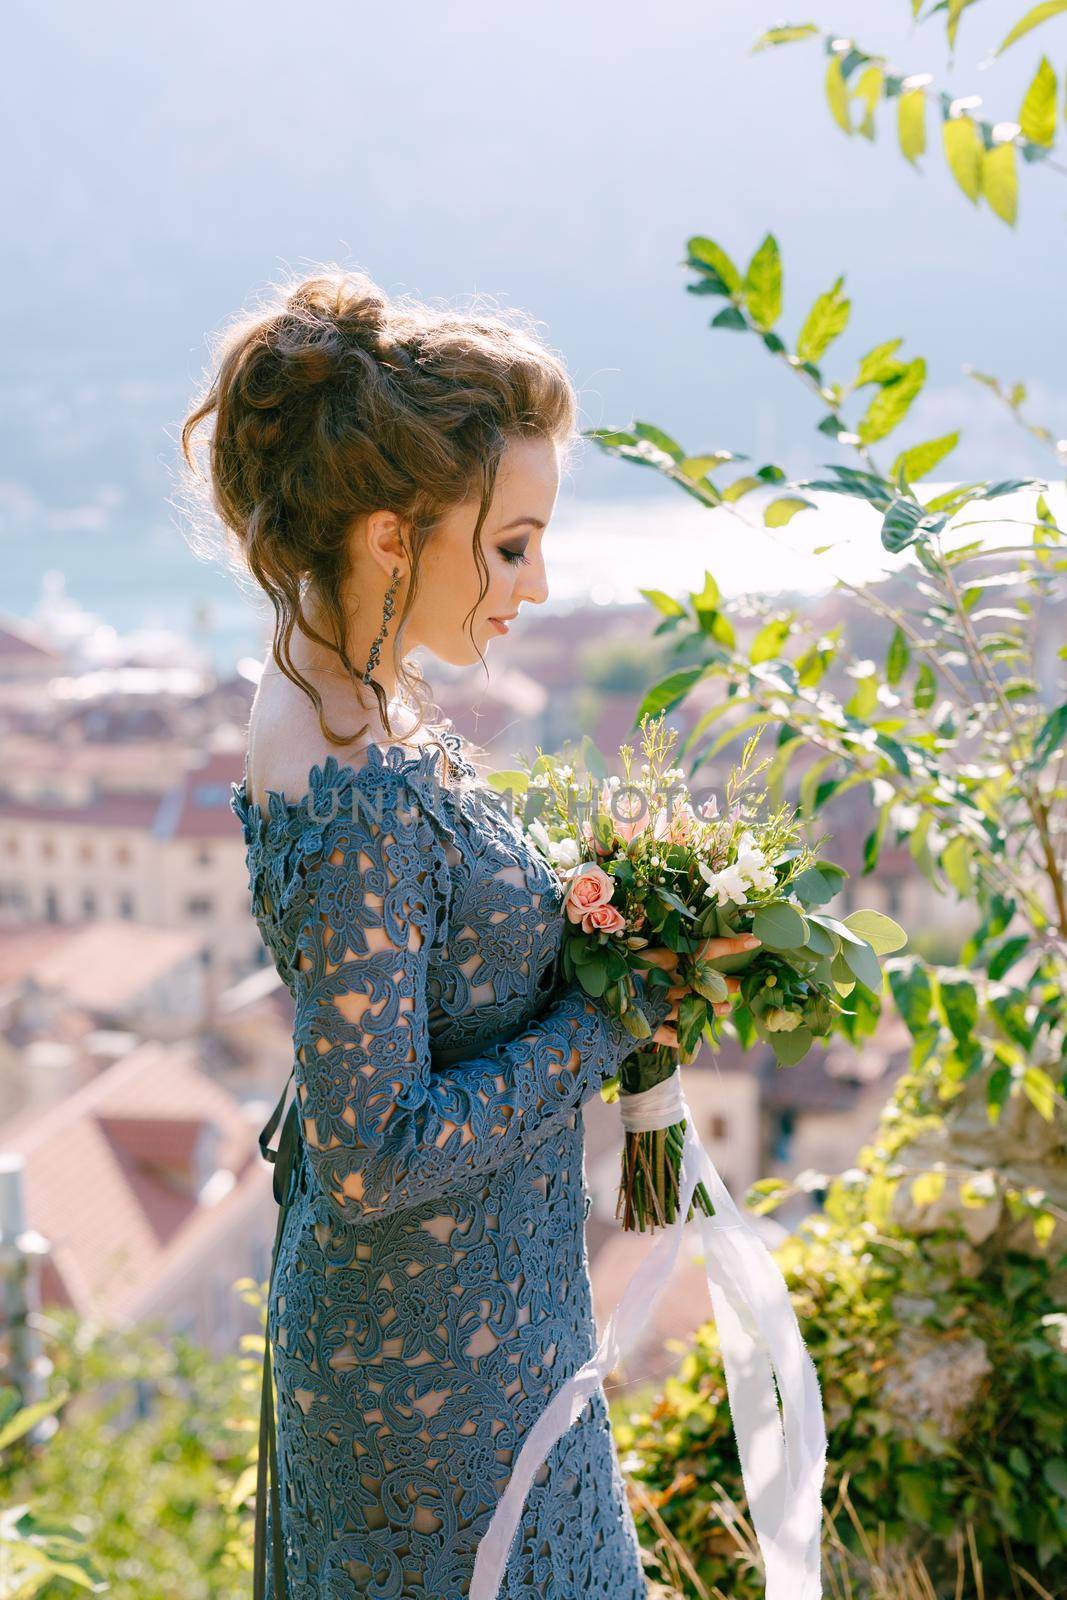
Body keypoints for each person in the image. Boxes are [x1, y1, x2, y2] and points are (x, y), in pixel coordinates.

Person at [181, 268, 750, 1599]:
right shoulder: (358, 780)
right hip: (436, 1394)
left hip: (462, 1341)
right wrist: (605, 1016)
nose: (538, 584)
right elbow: (371, 1156)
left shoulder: (339, 699)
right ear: (394, 535)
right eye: (509, 545)